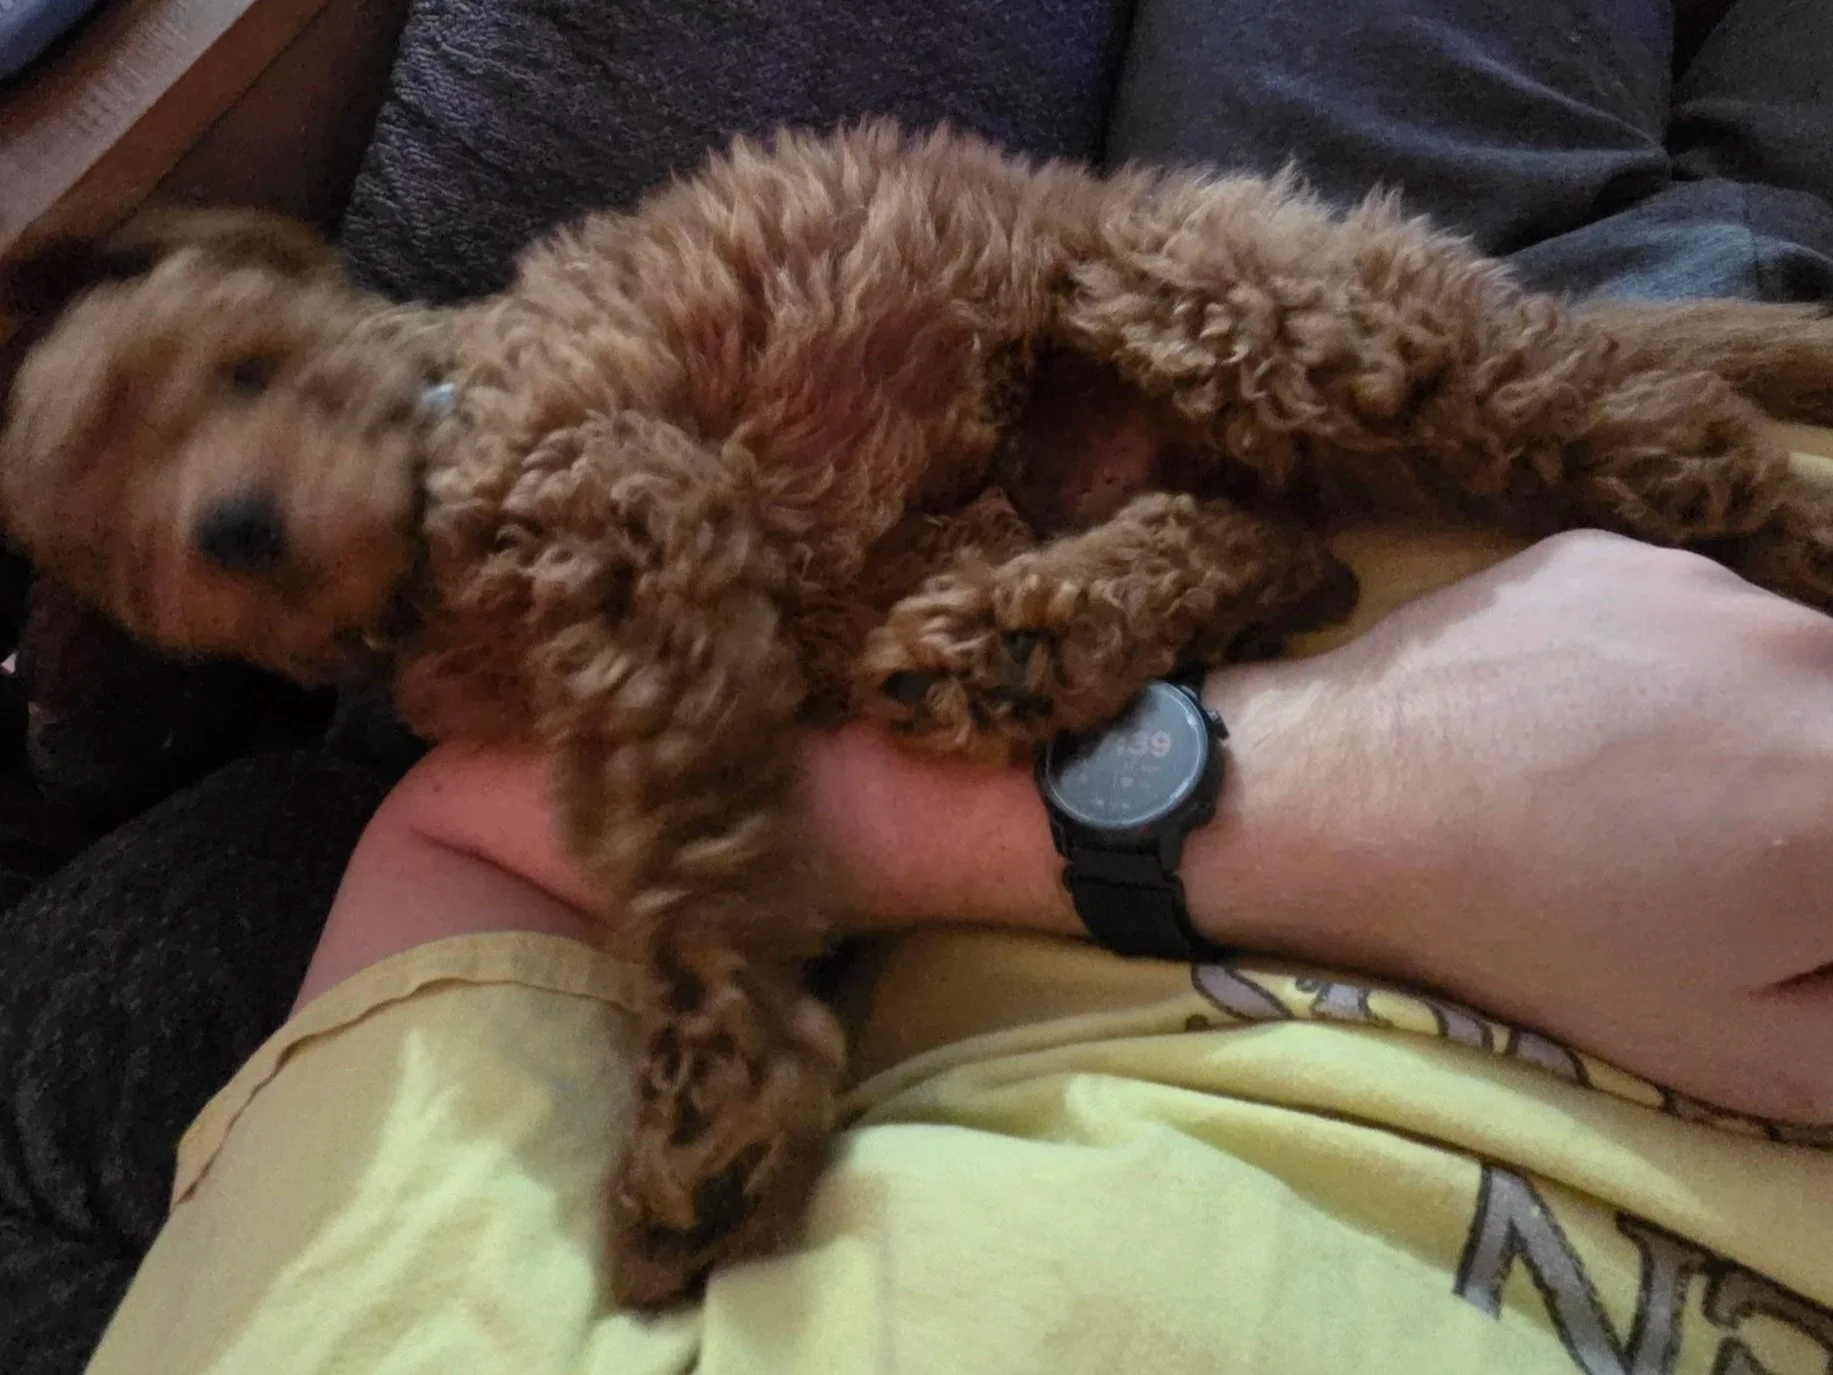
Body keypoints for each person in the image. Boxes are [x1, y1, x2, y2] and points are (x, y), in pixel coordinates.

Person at [7, 1, 1833, 1372]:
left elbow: (654, 635)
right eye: (140, 535)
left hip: (1246, 347)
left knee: (1431, 270)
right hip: (1403, 511)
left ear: (333, 339)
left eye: (240, 388)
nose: (225, 502)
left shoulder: (495, 461)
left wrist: (725, 1022)